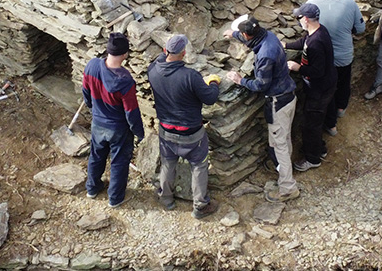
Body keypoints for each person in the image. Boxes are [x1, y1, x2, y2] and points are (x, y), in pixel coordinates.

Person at [225, 17, 300, 203]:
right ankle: (284, 169)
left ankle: (288, 187)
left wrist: (239, 80)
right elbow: (252, 38)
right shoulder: (269, 37)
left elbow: (261, 85)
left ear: (246, 34)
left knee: (279, 144)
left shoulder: (266, 54)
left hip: (278, 102)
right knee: (284, 137)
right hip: (288, 96)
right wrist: (233, 34)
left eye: (241, 34)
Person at [147, 34, 221, 220]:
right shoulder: (190, 76)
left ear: (165, 51)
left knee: (168, 163)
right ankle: (200, 206)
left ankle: (166, 198)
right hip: (191, 134)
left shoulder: (153, 71)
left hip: (166, 130)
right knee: (198, 166)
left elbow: (159, 61)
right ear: (184, 53)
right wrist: (213, 82)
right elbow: (210, 98)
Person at [82, 33, 144, 208]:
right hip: (118, 128)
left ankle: (92, 188)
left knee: (96, 155)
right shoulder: (124, 81)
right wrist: (139, 133)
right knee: (119, 162)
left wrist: (92, 108)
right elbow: (131, 112)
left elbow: (85, 91)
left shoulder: (92, 66)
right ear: (124, 54)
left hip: (98, 123)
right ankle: (115, 198)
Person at [307, 0, 365, 136]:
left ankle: (331, 124)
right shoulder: (350, 4)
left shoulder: (311, 4)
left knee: (327, 91)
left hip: (324, 59)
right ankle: (341, 108)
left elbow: (306, 28)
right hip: (343, 55)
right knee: (343, 82)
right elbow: (360, 29)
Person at [285, 3, 336, 172]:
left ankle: (313, 159)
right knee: (314, 121)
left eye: (299, 18)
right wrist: (285, 45)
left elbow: (317, 71)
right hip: (321, 86)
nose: (298, 21)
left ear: (305, 19)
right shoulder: (318, 31)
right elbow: (303, 42)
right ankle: (319, 149)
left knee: (311, 125)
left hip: (320, 89)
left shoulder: (317, 42)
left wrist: (297, 67)